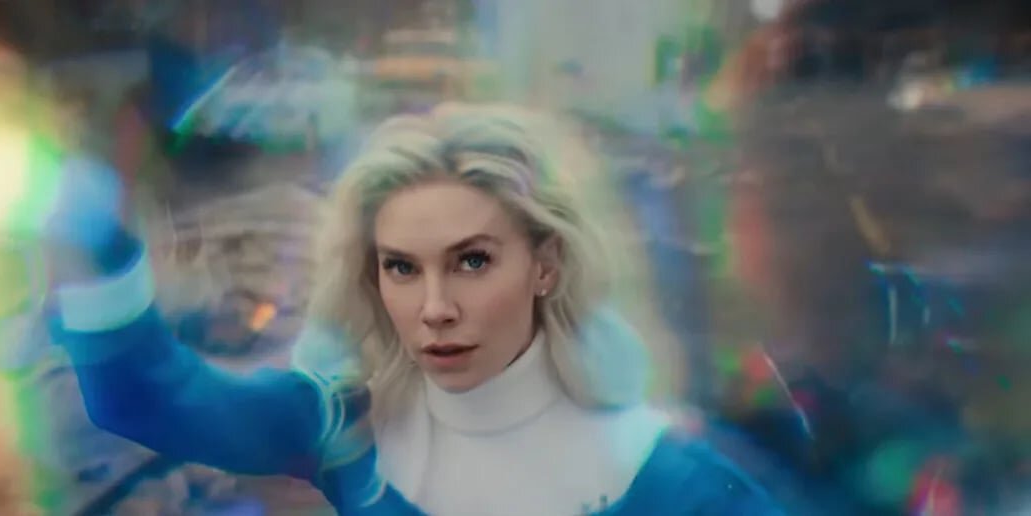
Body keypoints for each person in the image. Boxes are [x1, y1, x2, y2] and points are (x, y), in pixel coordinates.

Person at [44, 104, 781, 515]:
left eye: (472, 262)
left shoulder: (678, 483)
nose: (434, 308)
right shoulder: (351, 425)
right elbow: (148, 399)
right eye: (401, 267)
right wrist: (100, 246)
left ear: (547, 265)